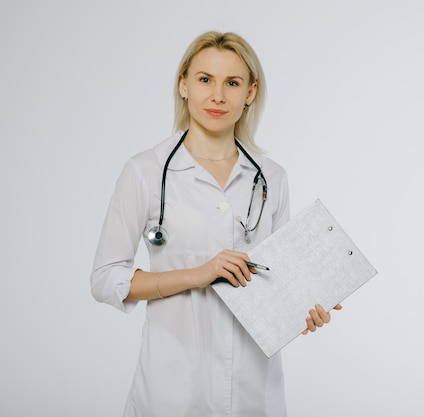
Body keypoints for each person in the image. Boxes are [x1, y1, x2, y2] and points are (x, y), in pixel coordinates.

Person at [90, 30, 340, 417]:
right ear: (183, 85)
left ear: (250, 93)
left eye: (233, 83)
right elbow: (106, 279)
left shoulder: (271, 177)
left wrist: (303, 312)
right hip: (171, 388)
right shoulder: (145, 172)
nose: (218, 95)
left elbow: (279, 284)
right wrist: (199, 274)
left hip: (254, 391)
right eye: (205, 79)